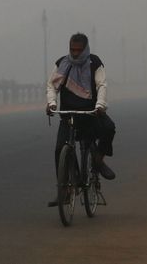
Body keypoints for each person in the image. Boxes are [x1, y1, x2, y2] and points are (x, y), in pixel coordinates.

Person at [46, 33, 116, 207]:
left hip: (91, 113)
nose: (75, 54)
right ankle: (65, 189)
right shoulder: (62, 64)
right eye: (72, 50)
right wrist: (52, 103)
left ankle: (99, 160)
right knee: (59, 148)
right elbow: (51, 87)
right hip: (69, 115)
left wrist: (100, 105)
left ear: (85, 49)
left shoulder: (94, 63)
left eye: (79, 50)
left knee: (109, 128)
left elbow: (102, 85)